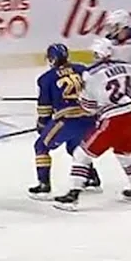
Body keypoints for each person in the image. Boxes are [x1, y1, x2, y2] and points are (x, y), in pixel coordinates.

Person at [53, 38, 131, 211]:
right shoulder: (128, 67)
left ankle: (72, 196)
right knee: (123, 153)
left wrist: (82, 102)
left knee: (81, 154)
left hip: (112, 119)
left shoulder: (90, 74)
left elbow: (89, 107)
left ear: (98, 54)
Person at [28, 43, 101, 200]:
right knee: (75, 147)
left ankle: (44, 185)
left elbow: (44, 108)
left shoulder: (46, 79)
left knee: (41, 146)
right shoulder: (82, 69)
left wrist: (42, 124)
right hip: (90, 118)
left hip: (67, 120)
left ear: (52, 59)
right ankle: (91, 177)